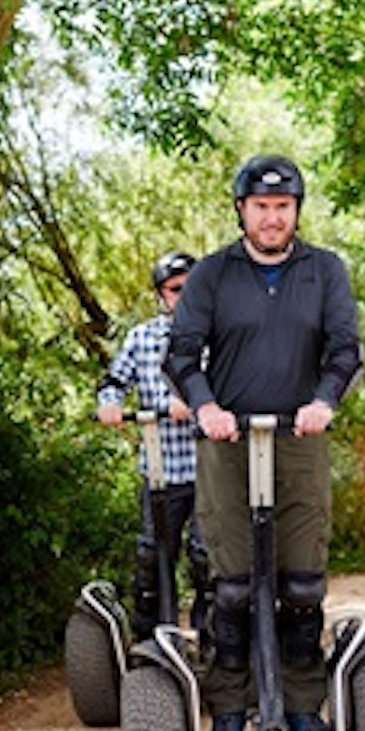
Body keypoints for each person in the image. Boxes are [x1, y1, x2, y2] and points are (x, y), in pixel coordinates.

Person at [163, 154, 363, 731]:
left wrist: (325, 400)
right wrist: (205, 407)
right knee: (233, 587)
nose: (273, 218)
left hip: (300, 441)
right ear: (242, 211)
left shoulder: (324, 271)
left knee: (302, 584)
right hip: (227, 444)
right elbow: (181, 354)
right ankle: (229, 710)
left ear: (296, 211)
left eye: (283, 207)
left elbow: (345, 349)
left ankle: (303, 706)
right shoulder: (213, 276)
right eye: (262, 207)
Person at [96, 251, 211, 641]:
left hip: (212, 470)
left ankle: (215, 644)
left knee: (207, 558)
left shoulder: (222, 337)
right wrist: (110, 404)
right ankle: (152, 641)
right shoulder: (142, 339)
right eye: (177, 290)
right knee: (153, 555)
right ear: (162, 295)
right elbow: (113, 381)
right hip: (163, 469)